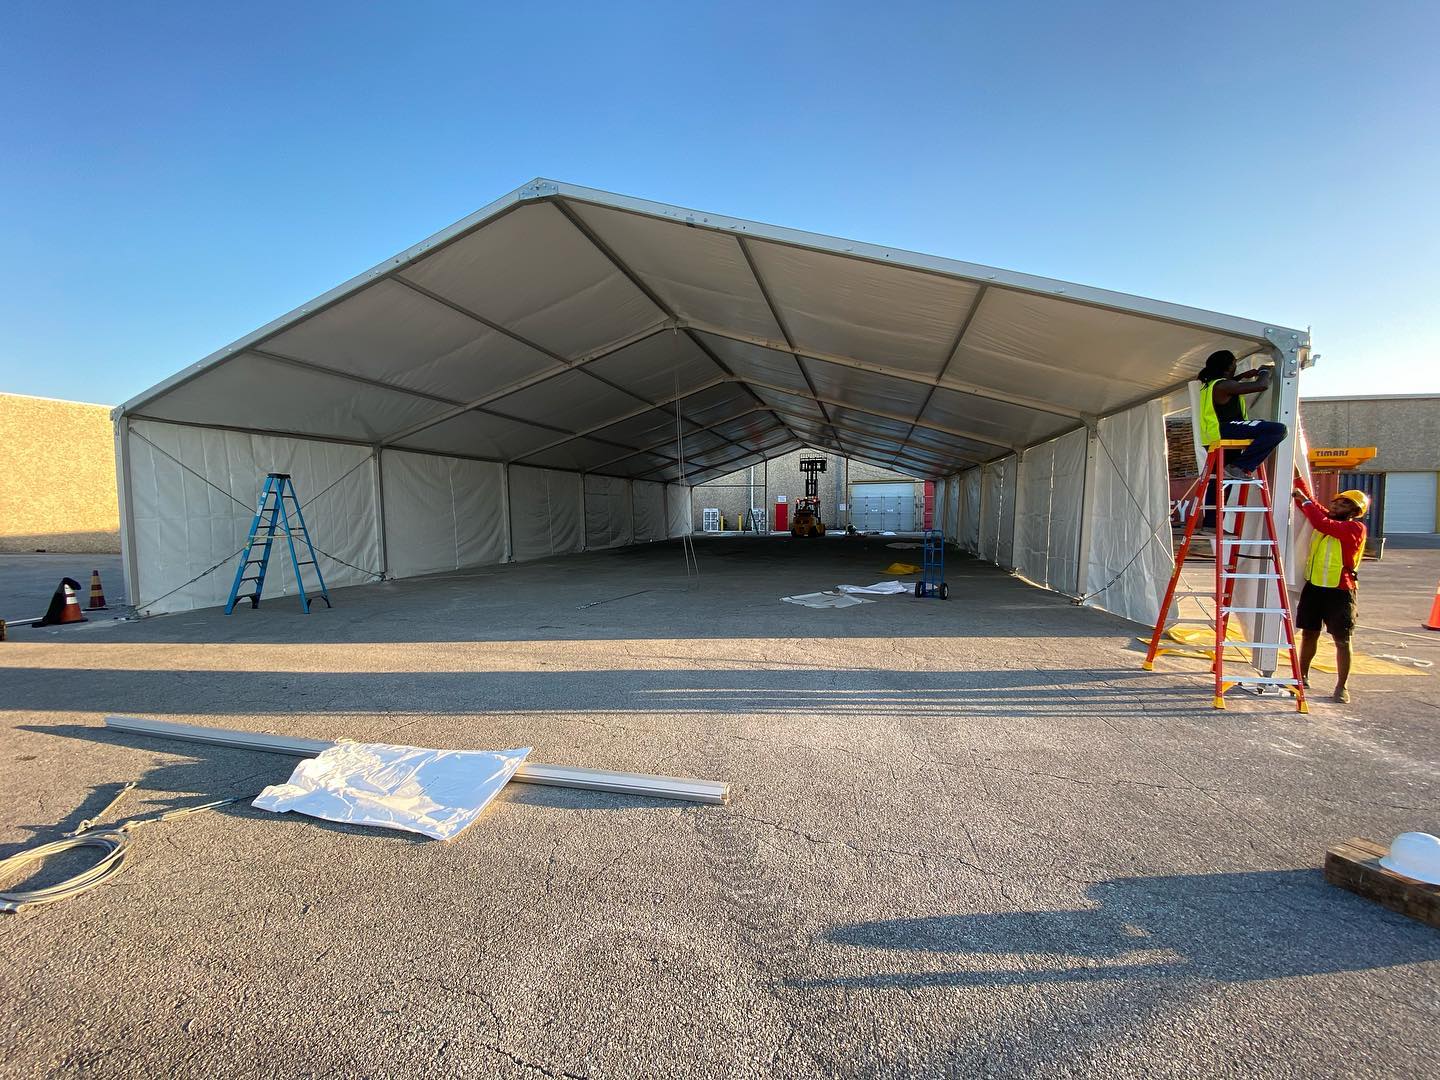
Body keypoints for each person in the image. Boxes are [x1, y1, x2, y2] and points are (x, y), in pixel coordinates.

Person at [1290, 481, 1369, 704]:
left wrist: (1304, 500)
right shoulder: (1329, 518)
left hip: (1340, 590)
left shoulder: (1354, 528)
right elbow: (1313, 506)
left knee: (1342, 640)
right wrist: (1297, 478)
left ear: (1354, 512)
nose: (1336, 506)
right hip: (1315, 587)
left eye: (1344, 504)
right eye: (1335, 502)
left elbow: (1319, 520)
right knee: (1309, 633)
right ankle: (1301, 676)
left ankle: (1342, 686)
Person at [1195, 350, 1288, 480]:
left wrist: (1242, 376)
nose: (1235, 366)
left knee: (1220, 480)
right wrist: (1264, 371)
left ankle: (1213, 498)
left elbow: (1230, 383)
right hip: (1226, 430)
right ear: (1227, 367)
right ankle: (1238, 466)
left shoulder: (1210, 385)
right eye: (1234, 363)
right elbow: (1261, 385)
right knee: (1278, 430)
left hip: (1213, 435)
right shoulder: (1224, 386)